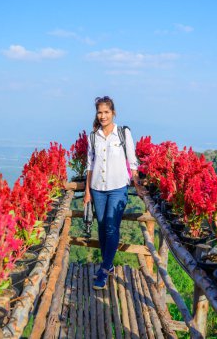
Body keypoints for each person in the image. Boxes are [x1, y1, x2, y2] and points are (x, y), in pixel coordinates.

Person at [84, 96, 141, 290]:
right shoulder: (93, 136)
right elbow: (90, 165)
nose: (103, 116)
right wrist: (87, 191)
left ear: (113, 113)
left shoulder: (123, 133)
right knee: (101, 227)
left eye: (106, 112)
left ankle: (105, 269)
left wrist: (137, 183)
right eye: (100, 112)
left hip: (118, 188)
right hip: (97, 188)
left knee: (111, 226)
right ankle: (106, 265)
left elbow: (132, 161)